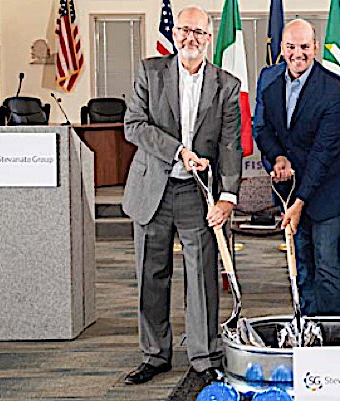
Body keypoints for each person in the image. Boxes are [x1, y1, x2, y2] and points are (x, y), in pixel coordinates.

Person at [121, 5, 242, 385]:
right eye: (185, 30)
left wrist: (228, 196)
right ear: (174, 34)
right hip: (152, 190)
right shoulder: (149, 72)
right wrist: (177, 151)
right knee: (151, 275)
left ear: (209, 37)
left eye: (199, 32)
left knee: (202, 277)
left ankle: (205, 356)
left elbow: (230, 144)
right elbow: (133, 126)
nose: (191, 38)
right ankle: (155, 355)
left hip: (197, 194)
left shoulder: (227, 84)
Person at [255, 19, 340, 316]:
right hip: (291, 189)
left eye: (304, 46)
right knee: (301, 264)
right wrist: (278, 157)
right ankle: (308, 327)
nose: (297, 54)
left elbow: (323, 154)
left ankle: (331, 332)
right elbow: (263, 129)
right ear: (281, 48)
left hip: (327, 190)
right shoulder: (269, 81)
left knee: (326, 265)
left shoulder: (335, 90)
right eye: (290, 47)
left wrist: (299, 202)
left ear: (315, 47)